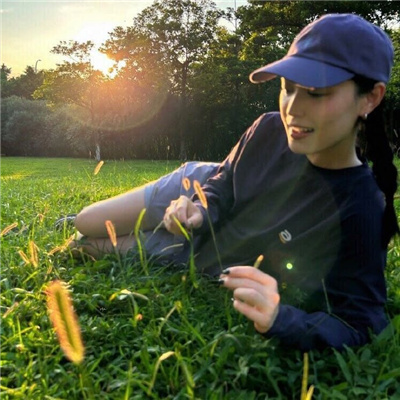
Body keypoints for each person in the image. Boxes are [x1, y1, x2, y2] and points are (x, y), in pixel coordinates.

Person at [67, 14, 399, 351]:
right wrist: (199, 210)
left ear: (370, 98)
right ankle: (78, 219)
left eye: (316, 93)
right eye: (288, 88)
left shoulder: (361, 205)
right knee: (85, 221)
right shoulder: (268, 128)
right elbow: (223, 181)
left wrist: (281, 319)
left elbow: (361, 320)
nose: (293, 109)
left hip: (208, 253)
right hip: (194, 190)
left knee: (82, 245)